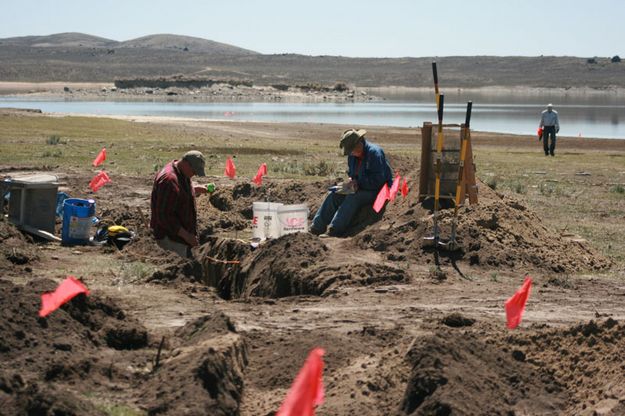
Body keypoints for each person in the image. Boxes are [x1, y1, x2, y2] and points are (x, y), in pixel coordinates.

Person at [310, 129, 392, 237]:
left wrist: (359, 183)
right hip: (358, 187)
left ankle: (335, 231)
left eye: (352, 149)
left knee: (353, 197)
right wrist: (350, 181)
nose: (351, 153)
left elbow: (379, 180)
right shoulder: (352, 155)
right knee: (333, 193)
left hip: (377, 190)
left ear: (359, 143)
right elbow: (351, 173)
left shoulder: (374, 153)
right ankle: (316, 228)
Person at [150, 150, 208, 257]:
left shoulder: (181, 171)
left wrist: (194, 189)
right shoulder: (169, 181)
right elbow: (164, 216)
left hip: (180, 238)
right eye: (194, 171)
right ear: (186, 164)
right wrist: (187, 236)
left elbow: (177, 194)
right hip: (170, 239)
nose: (194, 175)